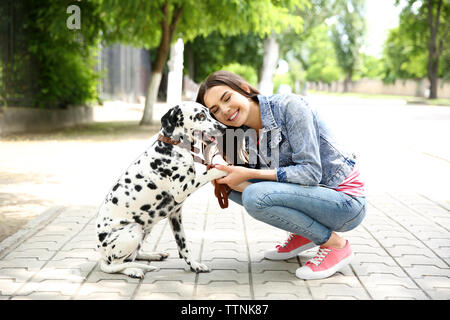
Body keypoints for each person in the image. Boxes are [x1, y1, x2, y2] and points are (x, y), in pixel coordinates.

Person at [196, 70, 366, 280]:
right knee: (227, 183)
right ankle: (306, 233)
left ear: (244, 89)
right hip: (315, 195)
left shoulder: (290, 107)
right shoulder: (247, 132)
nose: (224, 110)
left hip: (345, 202)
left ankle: (335, 245)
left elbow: (310, 173)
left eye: (227, 98)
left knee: (254, 196)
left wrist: (248, 175)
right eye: (215, 110)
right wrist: (222, 167)